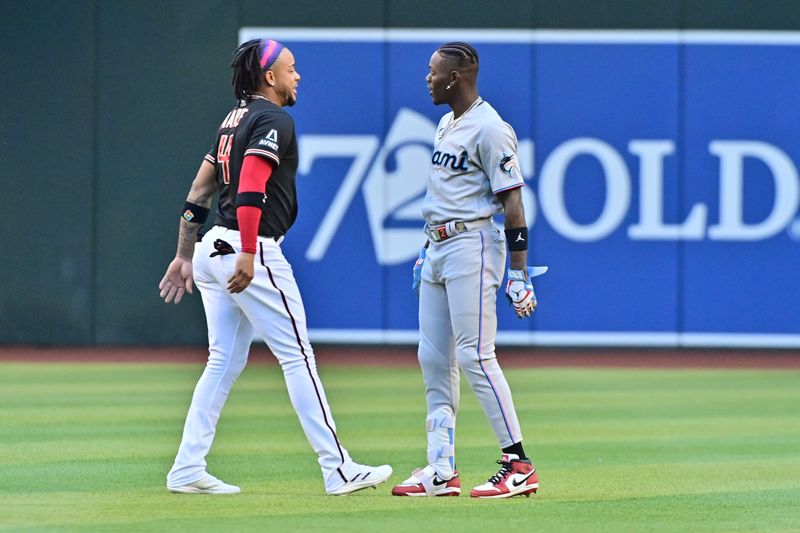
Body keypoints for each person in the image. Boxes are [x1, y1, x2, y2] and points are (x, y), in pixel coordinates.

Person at [158, 38, 392, 496]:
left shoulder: (233, 120)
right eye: (291, 68)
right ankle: (338, 468)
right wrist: (249, 250)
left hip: (211, 249)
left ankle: (187, 467)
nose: (297, 75)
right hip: (250, 248)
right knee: (297, 355)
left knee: (223, 360)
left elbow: (198, 191)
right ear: (269, 77)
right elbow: (251, 188)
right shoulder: (273, 118)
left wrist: (185, 254)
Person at [391, 42, 545, 499]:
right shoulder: (446, 123)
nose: (428, 78)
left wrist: (519, 273)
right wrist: (427, 247)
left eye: (433, 72)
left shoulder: (491, 128)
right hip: (438, 246)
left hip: (473, 243)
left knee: (476, 354)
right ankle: (441, 468)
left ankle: (519, 464)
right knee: (433, 358)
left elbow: (513, 202)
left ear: (455, 78)